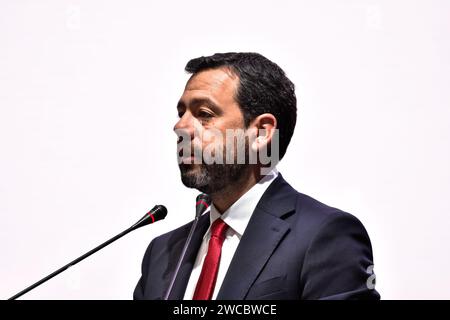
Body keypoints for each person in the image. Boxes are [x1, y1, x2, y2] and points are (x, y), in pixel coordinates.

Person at [134, 52, 380, 300]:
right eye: (181, 113)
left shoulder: (325, 237)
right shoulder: (162, 253)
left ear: (262, 132)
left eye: (204, 114)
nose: (181, 127)